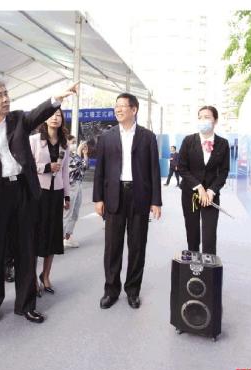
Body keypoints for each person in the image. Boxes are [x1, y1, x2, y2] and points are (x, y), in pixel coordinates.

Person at [0, 75, 78, 324]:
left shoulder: (18, 120)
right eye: (0, 95)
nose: (6, 99)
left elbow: (38, 113)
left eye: (6, 93)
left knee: (26, 250)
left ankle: (26, 305)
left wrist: (56, 98)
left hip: (23, 192)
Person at [93, 92, 162, 310]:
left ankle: (133, 291)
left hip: (139, 196)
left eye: (123, 105)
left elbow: (154, 170)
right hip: (114, 195)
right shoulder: (107, 137)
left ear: (134, 109)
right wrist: (98, 198)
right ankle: (111, 291)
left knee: (137, 246)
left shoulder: (147, 137)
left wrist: (156, 201)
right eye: (116, 105)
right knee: (112, 247)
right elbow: (100, 170)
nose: (118, 109)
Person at [178, 106, 230, 255]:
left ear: (215, 120)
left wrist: (211, 191)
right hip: (191, 194)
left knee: (209, 236)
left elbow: (224, 171)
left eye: (207, 117)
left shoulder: (223, 143)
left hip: (211, 196)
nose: (203, 120)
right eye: (200, 117)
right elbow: (182, 168)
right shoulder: (188, 141)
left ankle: (209, 267)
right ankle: (194, 265)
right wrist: (199, 187)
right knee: (192, 234)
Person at [29, 108, 70, 294]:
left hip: (56, 193)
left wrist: (67, 196)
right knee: (36, 235)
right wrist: (46, 167)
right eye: (52, 115)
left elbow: (65, 172)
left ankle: (45, 276)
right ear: (45, 118)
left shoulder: (64, 144)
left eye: (59, 115)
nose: (55, 118)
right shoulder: (34, 140)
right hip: (38, 193)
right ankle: (32, 278)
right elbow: (26, 165)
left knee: (53, 235)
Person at [63, 138, 89, 248]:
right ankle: (59, 238)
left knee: (75, 213)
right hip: (70, 186)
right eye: (72, 142)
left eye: (75, 142)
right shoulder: (64, 155)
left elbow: (84, 167)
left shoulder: (74, 156)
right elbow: (73, 167)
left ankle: (68, 236)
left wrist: (85, 154)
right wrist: (78, 151)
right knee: (67, 213)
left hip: (78, 185)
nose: (74, 144)